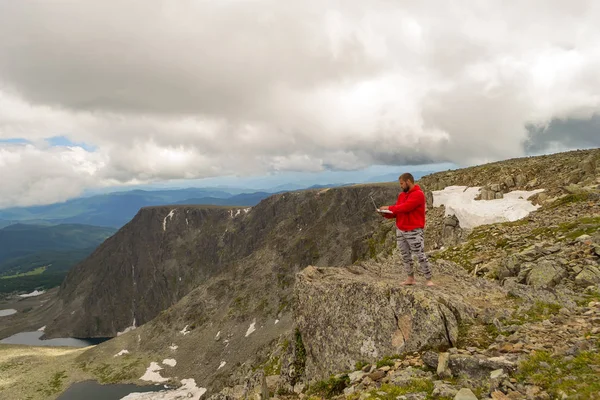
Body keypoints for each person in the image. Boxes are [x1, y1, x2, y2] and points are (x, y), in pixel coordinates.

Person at [379, 173, 435, 286]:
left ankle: (428, 279)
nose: (401, 186)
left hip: (413, 230)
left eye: (402, 183)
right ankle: (410, 278)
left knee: (419, 254)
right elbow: (397, 211)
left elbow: (405, 208)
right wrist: (385, 214)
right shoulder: (401, 196)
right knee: (405, 255)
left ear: (408, 181)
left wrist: (388, 207)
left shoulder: (418, 194)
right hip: (401, 229)